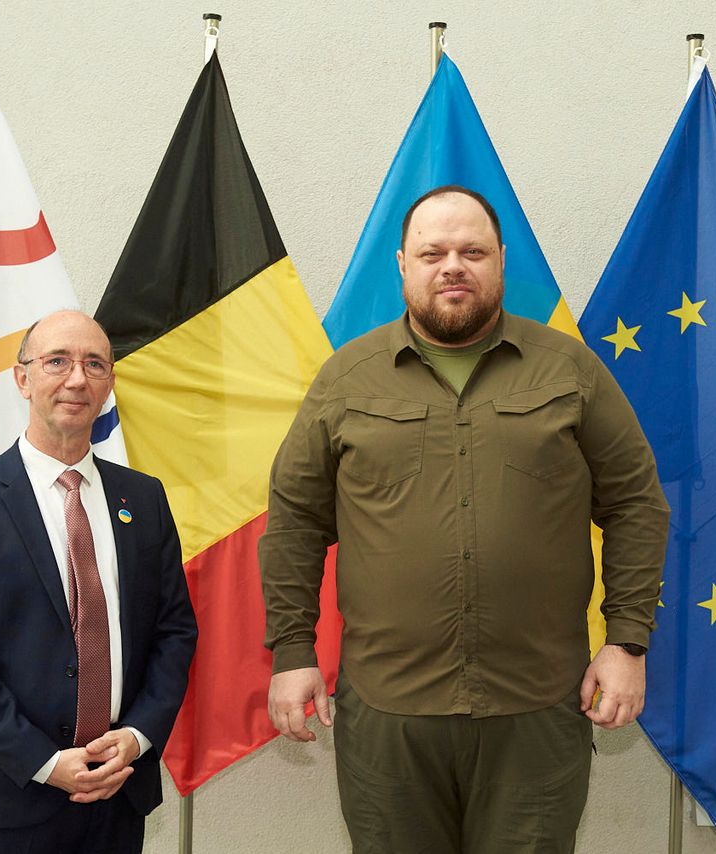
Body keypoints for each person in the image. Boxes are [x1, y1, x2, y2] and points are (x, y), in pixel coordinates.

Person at [260, 186, 669, 853]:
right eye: (433, 252)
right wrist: (292, 650)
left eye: (471, 251)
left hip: (534, 710)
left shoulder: (568, 370)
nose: (453, 265)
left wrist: (626, 642)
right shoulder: (347, 380)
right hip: (390, 716)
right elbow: (295, 524)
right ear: (403, 264)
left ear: (501, 261)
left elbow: (635, 503)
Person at [0, 310, 197, 854]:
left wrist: (139, 737)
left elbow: (174, 632)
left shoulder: (143, 499)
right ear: (22, 378)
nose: (77, 379)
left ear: (110, 383)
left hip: (119, 792)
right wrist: (46, 763)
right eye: (57, 362)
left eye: (95, 364)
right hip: (10, 799)